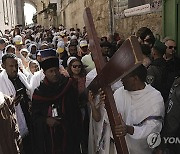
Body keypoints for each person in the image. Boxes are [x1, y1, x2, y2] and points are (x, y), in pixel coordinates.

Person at [32, 56, 82, 154]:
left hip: (69, 135)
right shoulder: (39, 93)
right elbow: (34, 117)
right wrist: (46, 120)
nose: (54, 74)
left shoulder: (68, 86)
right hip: (49, 139)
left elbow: (76, 111)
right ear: (44, 73)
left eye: (56, 70)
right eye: (50, 71)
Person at [113, 64, 165, 154]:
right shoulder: (119, 93)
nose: (121, 80)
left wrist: (128, 129)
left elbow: (153, 128)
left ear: (135, 78)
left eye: (124, 77)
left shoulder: (155, 97)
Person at [0, 53, 32, 154]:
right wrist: (10, 104)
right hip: (11, 124)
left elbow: (29, 92)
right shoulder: (1, 82)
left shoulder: (20, 77)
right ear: (3, 66)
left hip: (26, 117)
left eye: (16, 66)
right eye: (11, 66)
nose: (14, 69)